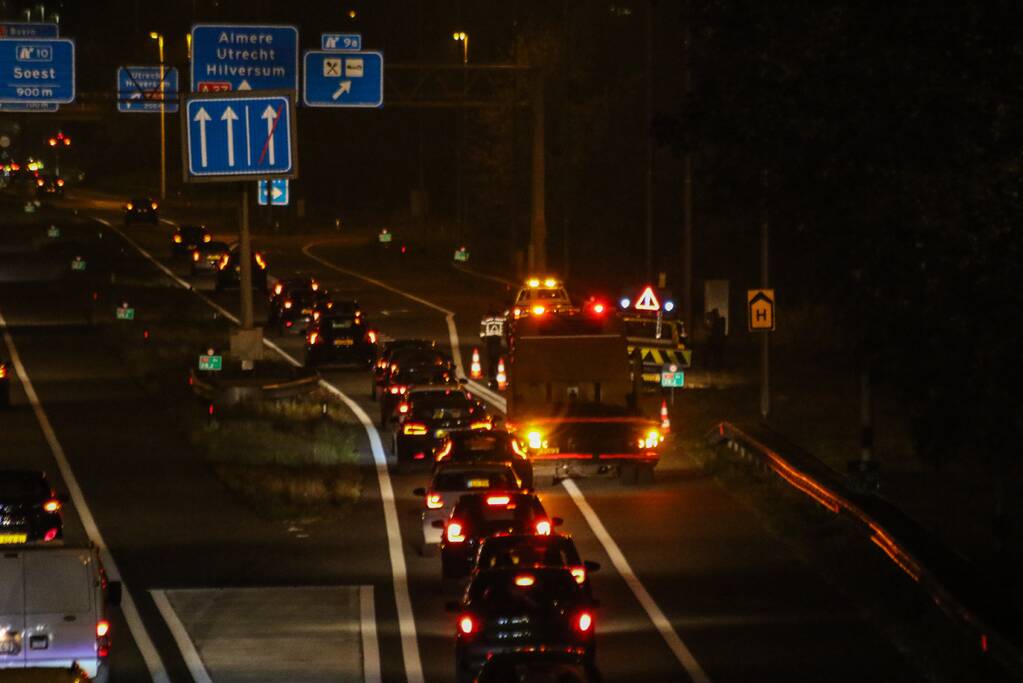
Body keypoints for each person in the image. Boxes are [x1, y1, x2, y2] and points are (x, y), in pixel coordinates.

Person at [480, 306, 505, 379]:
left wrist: (482, 336)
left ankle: (491, 369)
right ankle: (495, 367)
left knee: (489, 354)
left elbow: (482, 328)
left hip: (489, 338)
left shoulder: (486, 318)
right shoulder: (501, 317)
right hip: (497, 337)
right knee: (496, 354)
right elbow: (506, 320)